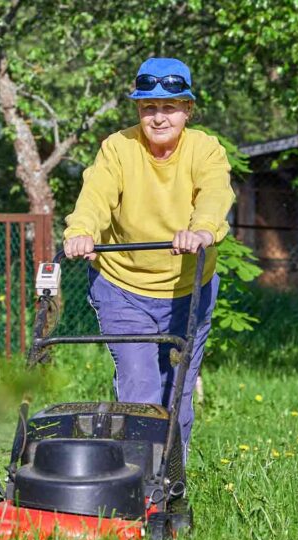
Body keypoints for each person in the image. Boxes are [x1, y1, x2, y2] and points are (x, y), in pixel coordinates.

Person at [62, 57, 235, 457]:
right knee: (140, 391)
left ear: (188, 110)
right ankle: (136, 484)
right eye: (148, 107)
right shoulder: (118, 148)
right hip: (123, 287)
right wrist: (81, 231)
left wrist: (202, 230)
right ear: (138, 110)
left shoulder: (206, 150)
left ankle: (171, 486)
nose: (158, 117)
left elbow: (214, 194)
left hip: (188, 289)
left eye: (169, 107)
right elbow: (95, 195)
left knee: (179, 397)